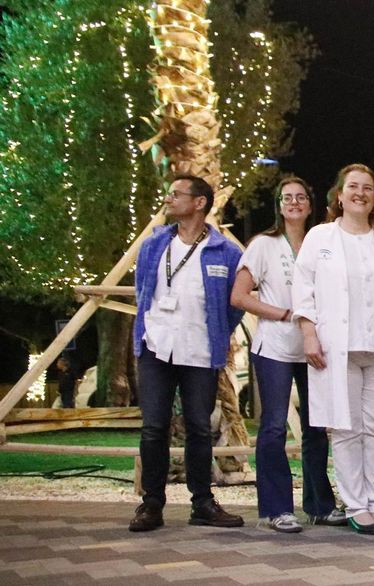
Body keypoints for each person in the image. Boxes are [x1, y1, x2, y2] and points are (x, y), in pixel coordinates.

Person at [293, 164, 374, 536]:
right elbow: (303, 287)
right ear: (339, 195)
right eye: (353, 187)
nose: (360, 193)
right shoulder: (320, 237)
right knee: (345, 427)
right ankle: (356, 504)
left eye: (368, 188)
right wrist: (309, 334)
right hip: (336, 346)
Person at [129, 176, 246, 533]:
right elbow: (142, 289)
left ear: (199, 203)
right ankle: (151, 505)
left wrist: (217, 332)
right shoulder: (154, 245)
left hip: (199, 350)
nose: (169, 198)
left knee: (199, 427)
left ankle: (202, 503)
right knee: (153, 428)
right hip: (156, 346)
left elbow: (235, 303)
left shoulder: (226, 252)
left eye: (176, 194)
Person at [231, 176, 337, 532]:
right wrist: (283, 313)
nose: (294, 202)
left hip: (315, 345)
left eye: (300, 197)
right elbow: (240, 296)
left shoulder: (322, 240)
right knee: (274, 427)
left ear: (310, 203)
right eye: (287, 197)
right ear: (278, 205)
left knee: (316, 427)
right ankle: (277, 508)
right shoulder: (264, 244)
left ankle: (319, 505)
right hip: (275, 346)